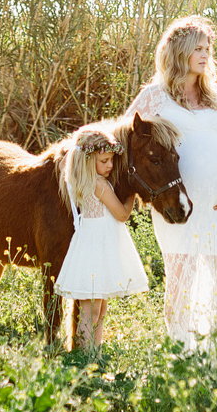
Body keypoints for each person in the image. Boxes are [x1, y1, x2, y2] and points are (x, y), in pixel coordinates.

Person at [125, 15, 217, 346]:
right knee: (181, 277)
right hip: (177, 205)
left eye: (207, 48)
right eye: (197, 48)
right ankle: (182, 349)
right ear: (180, 52)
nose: (204, 55)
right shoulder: (155, 97)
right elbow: (125, 139)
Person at [56, 122, 150, 351]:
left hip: (96, 244)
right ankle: (85, 354)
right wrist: (131, 193)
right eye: (104, 161)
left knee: (99, 305)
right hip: (97, 246)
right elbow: (121, 214)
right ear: (88, 161)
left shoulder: (91, 181)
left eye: (111, 160)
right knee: (91, 308)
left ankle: (93, 352)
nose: (110, 166)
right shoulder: (99, 185)